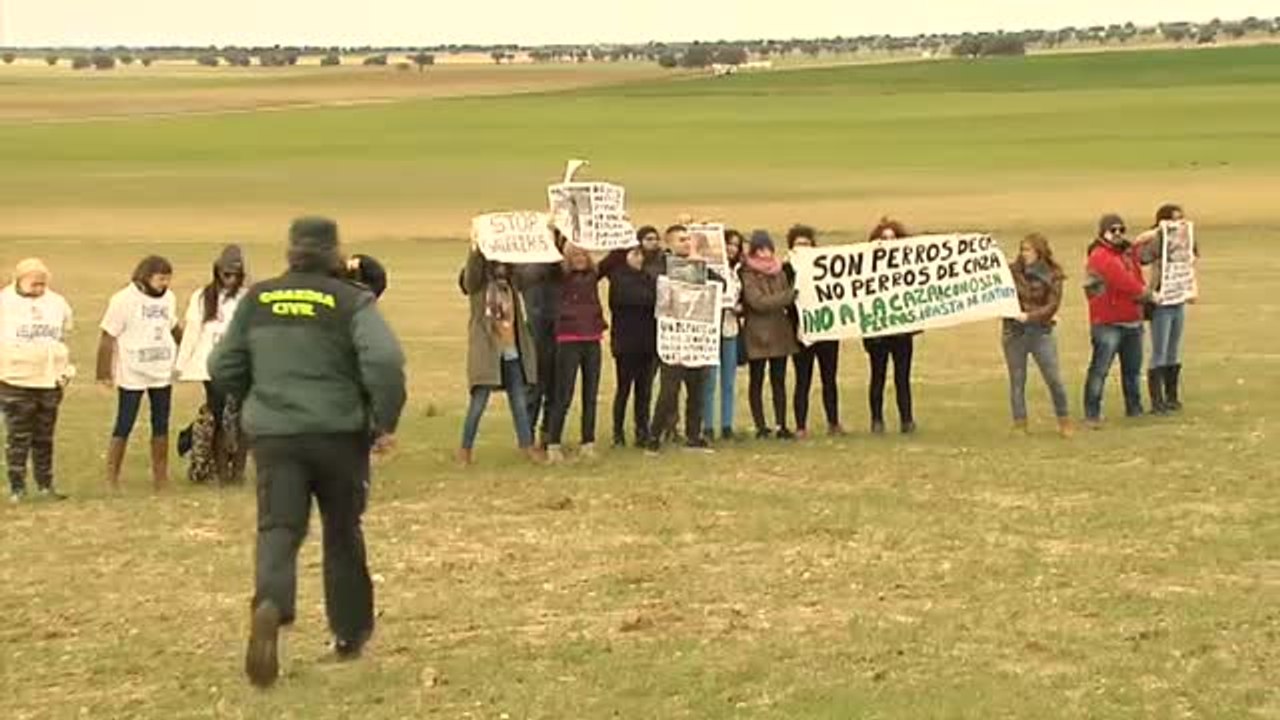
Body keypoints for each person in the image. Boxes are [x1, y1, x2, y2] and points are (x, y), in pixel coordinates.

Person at [209, 217, 406, 688]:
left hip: (275, 435)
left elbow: (222, 364)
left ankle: (271, 603)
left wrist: (256, 396)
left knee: (278, 528)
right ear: (334, 253)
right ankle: (349, 634)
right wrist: (382, 420)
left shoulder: (259, 299)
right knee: (342, 531)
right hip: (339, 434)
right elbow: (384, 360)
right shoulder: (350, 300)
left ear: (291, 251)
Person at [97, 256, 181, 491]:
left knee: (161, 422)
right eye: (160, 279)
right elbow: (108, 335)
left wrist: (187, 353)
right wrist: (103, 372)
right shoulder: (123, 300)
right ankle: (112, 477)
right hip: (133, 371)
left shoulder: (169, 298)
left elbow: (173, 327)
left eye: (168, 279)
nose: (165, 284)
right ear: (146, 276)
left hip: (161, 369)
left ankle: (160, 477)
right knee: (125, 421)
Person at [458, 248, 542, 465]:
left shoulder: (511, 283)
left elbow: (528, 271)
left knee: (518, 401)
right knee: (478, 402)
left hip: (511, 350)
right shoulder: (478, 284)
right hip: (488, 351)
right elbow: (471, 274)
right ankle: (465, 450)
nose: (501, 268)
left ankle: (527, 446)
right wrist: (477, 250)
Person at [0, 259, 75, 502]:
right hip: (15, 381)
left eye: (43, 284)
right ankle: (17, 487)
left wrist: (63, 370)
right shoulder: (4, 303)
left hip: (49, 381)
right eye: (34, 284)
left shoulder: (57, 303)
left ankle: (45, 484)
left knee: (44, 436)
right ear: (19, 280)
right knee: (18, 437)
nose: (39, 289)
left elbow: (64, 334)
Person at [175, 245, 249, 485]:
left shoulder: (246, 297)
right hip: (211, 366)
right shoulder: (202, 297)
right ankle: (221, 471)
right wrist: (181, 364)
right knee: (217, 415)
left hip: (240, 367)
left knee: (242, 419)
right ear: (217, 272)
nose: (231, 279)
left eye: (235, 275)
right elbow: (192, 332)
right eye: (226, 274)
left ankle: (238, 471)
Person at [646, 225, 713, 452]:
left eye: (688, 239)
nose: (686, 243)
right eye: (681, 240)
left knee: (697, 390)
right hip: (673, 339)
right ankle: (654, 436)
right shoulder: (660, 266)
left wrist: (699, 266)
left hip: (696, 339)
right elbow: (656, 287)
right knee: (669, 391)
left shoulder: (700, 265)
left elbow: (719, 285)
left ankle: (694, 436)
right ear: (670, 244)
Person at [1083, 213, 1152, 426]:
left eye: (1122, 230)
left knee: (1132, 370)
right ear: (1103, 232)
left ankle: (1134, 408)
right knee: (1100, 370)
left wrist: (1157, 232)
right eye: (1113, 230)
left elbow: (1146, 255)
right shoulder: (1099, 256)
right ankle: (1092, 413)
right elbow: (1122, 280)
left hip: (1131, 319)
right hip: (1107, 322)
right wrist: (1146, 294)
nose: (1118, 234)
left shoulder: (1128, 253)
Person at [1003, 234, 1072, 437]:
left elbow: (1052, 305)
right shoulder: (1012, 272)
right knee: (1017, 380)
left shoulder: (1053, 274)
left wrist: (1029, 316)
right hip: (1014, 332)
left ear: (1039, 252)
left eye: (1028, 250)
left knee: (1054, 378)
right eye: (1022, 250)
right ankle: (1020, 423)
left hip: (1041, 331)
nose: (1024, 254)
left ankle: (1064, 420)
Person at [544, 242, 607, 462]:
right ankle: (553, 444)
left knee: (591, 394)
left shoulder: (593, 275)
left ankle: (588, 442)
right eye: (575, 255)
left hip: (592, 339)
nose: (580, 258)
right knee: (564, 394)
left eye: (583, 254)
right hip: (569, 340)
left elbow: (615, 259)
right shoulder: (560, 277)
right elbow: (549, 258)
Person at [601, 226, 663, 448]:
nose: (638, 258)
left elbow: (657, 301)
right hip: (626, 343)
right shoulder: (619, 278)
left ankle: (642, 430)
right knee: (624, 389)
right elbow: (635, 299)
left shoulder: (648, 278)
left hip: (647, 342)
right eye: (634, 254)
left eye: (640, 254)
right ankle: (618, 432)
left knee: (644, 391)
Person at [785, 225, 842, 437]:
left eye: (807, 244)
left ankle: (833, 423)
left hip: (827, 331)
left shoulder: (824, 267)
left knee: (829, 379)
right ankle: (801, 426)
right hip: (801, 334)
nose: (803, 248)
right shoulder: (786, 270)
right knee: (803, 380)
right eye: (798, 244)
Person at [740, 230, 798, 440]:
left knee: (779, 380)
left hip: (780, 331)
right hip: (757, 333)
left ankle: (781, 424)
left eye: (768, 249)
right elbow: (757, 302)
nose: (765, 254)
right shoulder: (747, 273)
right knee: (757, 379)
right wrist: (788, 296)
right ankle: (760, 425)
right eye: (760, 250)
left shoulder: (779, 270)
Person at [862, 218, 918, 435]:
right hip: (877, 332)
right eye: (883, 238)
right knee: (878, 376)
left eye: (892, 238)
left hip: (902, 332)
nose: (888, 242)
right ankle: (876, 420)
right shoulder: (866, 268)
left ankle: (907, 420)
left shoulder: (907, 267)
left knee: (902, 377)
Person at [1134, 203, 1191, 414]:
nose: (1178, 223)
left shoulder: (1184, 238)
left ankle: (1171, 396)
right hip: (1162, 299)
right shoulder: (1158, 239)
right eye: (1174, 219)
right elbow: (1141, 256)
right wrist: (1155, 234)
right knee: (1160, 349)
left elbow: (1191, 256)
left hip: (1178, 297)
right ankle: (1157, 400)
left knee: (1173, 349)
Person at [513, 259, 561, 448]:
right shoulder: (526, 263)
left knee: (556, 388)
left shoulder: (560, 261)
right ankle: (527, 437)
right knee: (535, 387)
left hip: (559, 329)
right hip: (536, 331)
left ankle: (548, 434)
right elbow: (523, 278)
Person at [702, 229, 744, 442]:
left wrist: (740, 308)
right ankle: (707, 426)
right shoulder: (707, 268)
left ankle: (727, 425)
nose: (732, 248)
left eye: (736, 245)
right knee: (709, 380)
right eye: (729, 243)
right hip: (710, 330)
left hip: (730, 328)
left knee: (729, 381)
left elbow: (742, 297)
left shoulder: (738, 271)